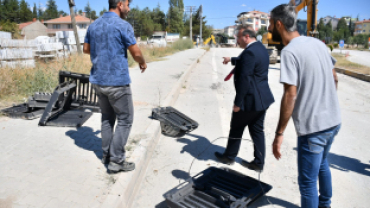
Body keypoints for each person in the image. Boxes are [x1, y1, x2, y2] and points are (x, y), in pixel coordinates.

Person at [269, 4, 341, 208]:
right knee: (323, 165)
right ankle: (325, 204)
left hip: (314, 130)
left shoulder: (289, 53)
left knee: (307, 183)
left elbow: (290, 95)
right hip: (333, 121)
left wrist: (279, 133)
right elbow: (334, 78)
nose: (268, 29)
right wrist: (325, 102)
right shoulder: (318, 43)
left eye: (270, 24)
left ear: (279, 24)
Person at [83, 0, 147, 173]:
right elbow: (136, 53)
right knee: (125, 119)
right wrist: (142, 62)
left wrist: (101, 50)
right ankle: (116, 161)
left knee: (106, 118)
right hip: (117, 82)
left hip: (98, 80)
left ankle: (106, 155)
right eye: (128, 4)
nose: (129, 8)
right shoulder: (123, 25)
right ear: (120, 4)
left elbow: (86, 49)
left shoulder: (93, 25)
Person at [214, 25, 275, 172]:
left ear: (247, 37)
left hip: (250, 100)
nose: (237, 40)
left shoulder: (249, 53)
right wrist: (231, 59)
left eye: (239, 37)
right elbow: (248, 61)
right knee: (257, 131)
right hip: (262, 100)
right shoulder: (259, 48)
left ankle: (229, 156)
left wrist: (238, 103)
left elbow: (245, 79)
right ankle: (259, 163)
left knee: (236, 127)